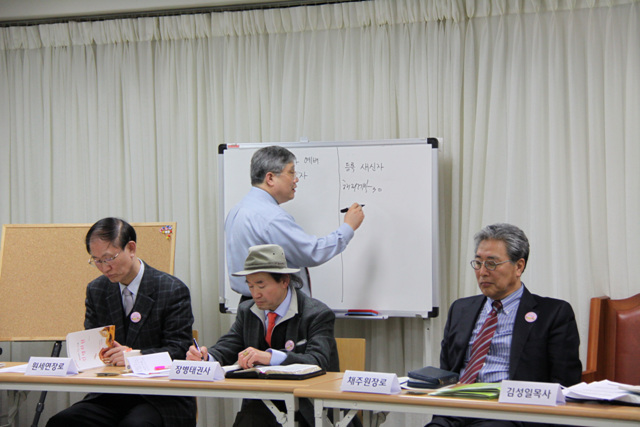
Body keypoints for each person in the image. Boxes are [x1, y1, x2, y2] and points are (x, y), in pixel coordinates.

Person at [427, 223, 582, 427]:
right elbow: (446, 371)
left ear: (519, 266)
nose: (482, 272)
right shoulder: (461, 309)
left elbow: (564, 384)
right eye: (478, 263)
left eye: (492, 264)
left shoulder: (553, 314)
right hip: (457, 408)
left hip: (510, 412)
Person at [47, 217, 196, 427]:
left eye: (109, 258)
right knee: (62, 422)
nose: (104, 267)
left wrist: (133, 356)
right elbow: (93, 345)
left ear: (131, 248)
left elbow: (179, 350)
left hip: (160, 396)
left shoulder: (171, 289)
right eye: (96, 260)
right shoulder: (97, 290)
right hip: (111, 393)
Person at [187, 244, 345, 427]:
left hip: (307, 408)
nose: (255, 294)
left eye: (261, 285)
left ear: (284, 281)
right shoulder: (247, 310)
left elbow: (318, 361)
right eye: (250, 286)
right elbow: (229, 345)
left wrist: (270, 357)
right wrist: (206, 357)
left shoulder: (316, 314)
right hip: (260, 405)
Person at [225, 145, 365, 299]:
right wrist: (348, 227)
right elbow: (311, 252)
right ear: (270, 178)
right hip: (276, 307)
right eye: (291, 172)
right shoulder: (271, 217)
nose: (296, 179)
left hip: (250, 303)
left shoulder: (237, 210)